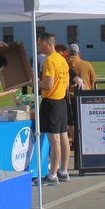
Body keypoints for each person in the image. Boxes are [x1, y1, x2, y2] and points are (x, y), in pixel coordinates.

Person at [37, 32, 71, 185]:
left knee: (54, 139)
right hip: (62, 101)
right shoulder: (62, 60)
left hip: (51, 103)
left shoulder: (50, 61)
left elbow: (48, 84)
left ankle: (52, 175)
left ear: (44, 43)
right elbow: (67, 84)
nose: (38, 47)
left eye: (38, 44)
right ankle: (63, 170)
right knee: (63, 137)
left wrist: (35, 82)